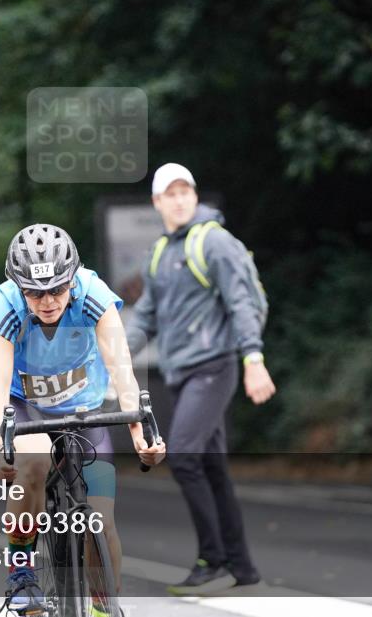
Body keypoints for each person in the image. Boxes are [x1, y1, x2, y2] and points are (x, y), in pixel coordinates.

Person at [0, 223, 167, 615]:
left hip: (85, 410)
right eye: (35, 292)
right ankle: (21, 572)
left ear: (72, 280)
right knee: (32, 462)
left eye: (57, 290)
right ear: (18, 286)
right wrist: (4, 448)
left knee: (101, 519)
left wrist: (141, 435)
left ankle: (103, 607)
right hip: (25, 407)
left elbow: (123, 372)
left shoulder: (94, 295)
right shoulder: (6, 305)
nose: (47, 301)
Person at [125, 163, 276, 594]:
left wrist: (253, 358)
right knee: (211, 466)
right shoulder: (158, 253)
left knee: (185, 454)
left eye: (185, 190)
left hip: (215, 365)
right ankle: (242, 567)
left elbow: (242, 303)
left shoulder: (215, 241)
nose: (179, 199)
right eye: (169, 193)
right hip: (183, 371)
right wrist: (112, 357)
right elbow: (146, 318)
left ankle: (212, 559)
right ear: (157, 202)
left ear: (194, 195)